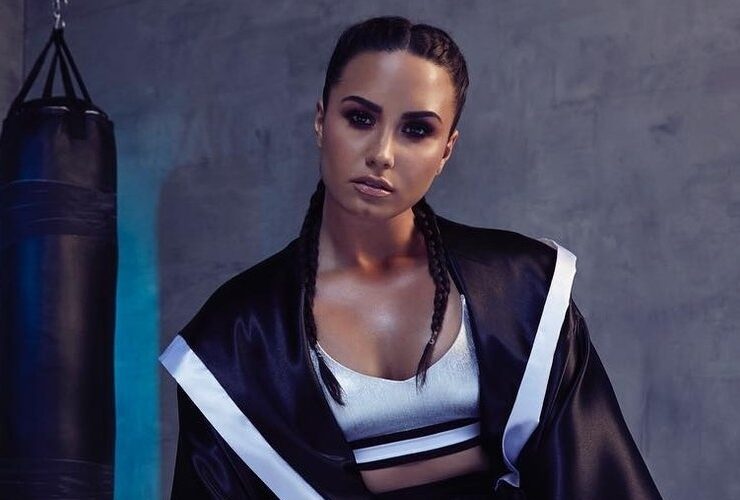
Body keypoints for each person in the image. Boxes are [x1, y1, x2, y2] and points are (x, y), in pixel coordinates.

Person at [159, 16, 662, 499]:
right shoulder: (237, 337)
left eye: (416, 130)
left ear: (447, 150)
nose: (382, 153)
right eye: (360, 118)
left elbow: (599, 480)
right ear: (320, 121)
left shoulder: (524, 292)